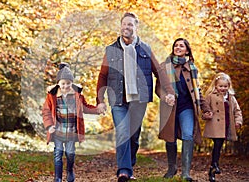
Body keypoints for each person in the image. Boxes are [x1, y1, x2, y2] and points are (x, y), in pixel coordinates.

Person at [96, 12, 175, 182]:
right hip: (118, 98)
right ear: (120, 26)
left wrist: (169, 92)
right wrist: (100, 100)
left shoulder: (145, 48)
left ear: (136, 27)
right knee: (123, 131)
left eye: (130, 24)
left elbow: (159, 71)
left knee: (133, 135)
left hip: (139, 99)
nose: (127, 27)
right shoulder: (111, 50)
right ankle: (124, 171)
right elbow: (103, 76)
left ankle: (129, 165)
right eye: (124, 24)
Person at [155, 38, 211, 181]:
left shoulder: (192, 68)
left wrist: (205, 108)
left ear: (187, 50)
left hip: (186, 107)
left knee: (187, 135)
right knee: (170, 138)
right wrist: (165, 96)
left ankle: (185, 172)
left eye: (181, 46)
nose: (178, 47)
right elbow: (158, 88)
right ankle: (171, 168)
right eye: (176, 45)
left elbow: (197, 91)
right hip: (170, 108)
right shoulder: (164, 66)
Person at [42, 62, 102, 182]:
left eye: (68, 83)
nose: (65, 86)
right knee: (58, 154)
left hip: (71, 132)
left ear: (72, 83)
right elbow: (46, 112)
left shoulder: (77, 96)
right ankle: (57, 177)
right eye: (63, 83)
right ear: (58, 83)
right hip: (58, 131)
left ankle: (69, 170)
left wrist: (97, 109)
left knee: (70, 153)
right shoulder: (52, 96)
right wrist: (49, 126)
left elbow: (85, 107)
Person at [202, 72, 242, 182]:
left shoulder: (231, 98)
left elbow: (237, 111)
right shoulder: (210, 96)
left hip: (226, 125)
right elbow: (204, 108)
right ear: (216, 86)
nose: (223, 88)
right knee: (218, 143)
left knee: (218, 145)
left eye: (225, 86)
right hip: (215, 125)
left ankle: (212, 168)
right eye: (220, 86)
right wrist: (206, 114)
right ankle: (215, 164)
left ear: (228, 86)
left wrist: (238, 121)